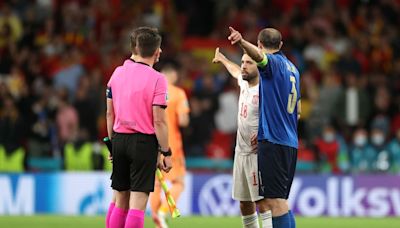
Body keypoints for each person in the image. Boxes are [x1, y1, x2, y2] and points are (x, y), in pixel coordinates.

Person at [228, 27, 301, 228]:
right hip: (290, 141)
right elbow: (299, 111)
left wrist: (241, 42)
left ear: (259, 45)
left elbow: (262, 58)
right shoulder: (293, 70)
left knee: (273, 203)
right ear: (281, 45)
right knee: (278, 200)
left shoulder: (273, 64)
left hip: (274, 140)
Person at [106, 27, 172, 228]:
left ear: (135, 48)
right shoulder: (158, 79)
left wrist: (111, 144)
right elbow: (159, 121)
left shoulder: (116, 73)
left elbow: (110, 114)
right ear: (157, 51)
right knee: (137, 203)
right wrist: (166, 151)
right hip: (143, 143)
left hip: (118, 139)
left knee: (119, 199)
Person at [213, 47, 264, 228]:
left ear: (259, 66)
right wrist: (223, 59)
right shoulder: (243, 83)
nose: (243, 66)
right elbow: (234, 70)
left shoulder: (265, 91)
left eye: (249, 63)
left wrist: (264, 136)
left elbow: (279, 117)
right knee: (244, 202)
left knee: (262, 202)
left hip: (257, 154)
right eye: (243, 62)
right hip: (240, 152)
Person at [150, 64, 190, 228]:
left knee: (156, 184)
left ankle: (155, 216)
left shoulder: (152, 92)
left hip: (151, 142)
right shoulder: (178, 93)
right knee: (179, 182)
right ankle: (163, 211)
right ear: (172, 75)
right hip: (171, 143)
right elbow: (183, 121)